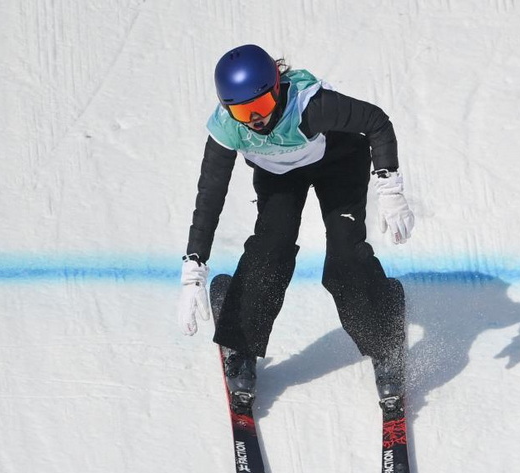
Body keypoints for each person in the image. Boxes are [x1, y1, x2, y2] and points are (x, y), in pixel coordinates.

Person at [177, 44, 415, 406]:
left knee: (345, 258)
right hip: (278, 174)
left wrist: (389, 185)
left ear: (277, 88)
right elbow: (210, 194)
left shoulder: (311, 107)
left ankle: (385, 339)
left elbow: (377, 122)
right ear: (227, 108)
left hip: (337, 159)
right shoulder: (227, 129)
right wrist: (194, 268)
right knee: (271, 249)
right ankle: (239, 342)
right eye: (243, 111)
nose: (255, 119)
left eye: (261, 106)